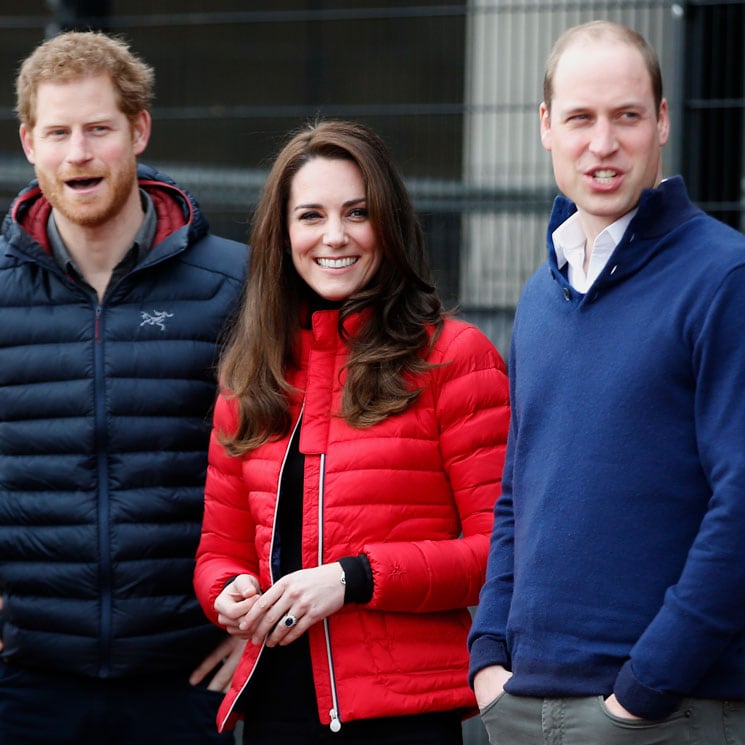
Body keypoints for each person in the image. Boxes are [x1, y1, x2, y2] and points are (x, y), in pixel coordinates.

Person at [468, 19, 745, 745]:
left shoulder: (723, 278)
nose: (601, 143)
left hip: (666, 711)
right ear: (544, 127)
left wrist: (644, 688)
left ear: (660, 122)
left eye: (625, 115)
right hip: (522, 703)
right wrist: (488, 655)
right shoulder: (539, 294)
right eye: (579, 118)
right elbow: (514, 493)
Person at [192, 119, 510, 744]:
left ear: (387, 224)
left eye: (357, 212)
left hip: (404, 716)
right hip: (275, 711)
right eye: (310, 216)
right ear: (282, 236)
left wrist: (351, 579)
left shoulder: (455, 358)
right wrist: (226, 592)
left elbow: (498, 553)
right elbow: (217, 550)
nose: (334, 236)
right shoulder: (250, 376)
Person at [0, 30, 248, 744]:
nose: (78, 152)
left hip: (187, 677)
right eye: (58, 132)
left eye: (98, 128)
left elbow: (286, 459)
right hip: (27, 680)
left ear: (138, 131)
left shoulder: (233, 283)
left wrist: (257, 627)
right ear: (29, 143)